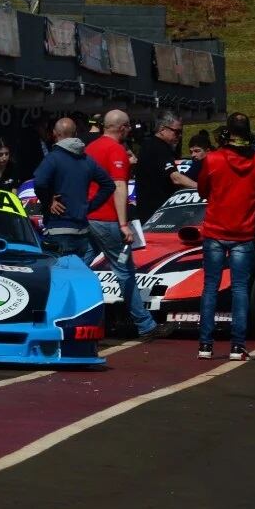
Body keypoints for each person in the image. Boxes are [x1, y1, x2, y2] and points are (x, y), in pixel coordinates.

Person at [87, 109, 167, 339]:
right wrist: (123, 224)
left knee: (80, 265)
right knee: (124, 271)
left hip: (89, 216)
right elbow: (119, 187)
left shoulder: (91, 149)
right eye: (129, 126)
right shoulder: (116, 151)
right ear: (121, 128)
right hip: (108, 218)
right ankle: (145, 323)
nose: (131, 130)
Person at [196, 111, 255, 361]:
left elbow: (203, 189)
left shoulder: (214, 159)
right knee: (239, 288)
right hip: (243, 230)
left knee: (210, 287)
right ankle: (237, 345)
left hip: (216, 228)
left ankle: (205, 344)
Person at [33, 117, 115, 264]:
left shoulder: (53, 158)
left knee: (56, 278)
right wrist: (89, 206)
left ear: (54, 133)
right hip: (82, 233)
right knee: (76, 277)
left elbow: (39, 181)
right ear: (75, 133)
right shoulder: (86, 160)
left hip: (58, 229)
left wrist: (49, 200)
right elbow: (109, 184)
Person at [133, 109, 198, 223]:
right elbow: (176, 178)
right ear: (162, 129)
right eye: (176, 131)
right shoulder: (159, 148)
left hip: (147, 211)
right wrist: (202, 187)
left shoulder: (148, 145)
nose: (180, 135)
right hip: (157, 214)